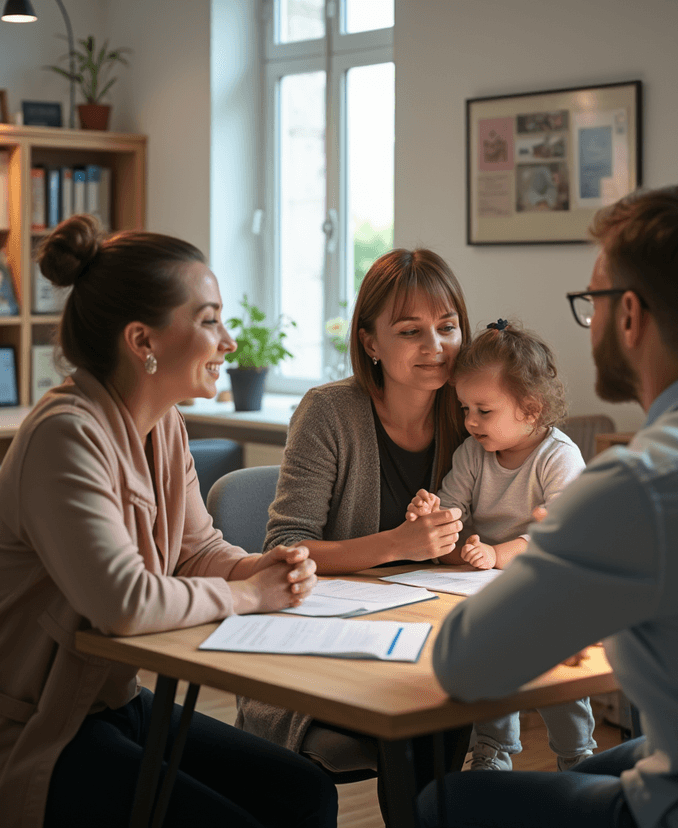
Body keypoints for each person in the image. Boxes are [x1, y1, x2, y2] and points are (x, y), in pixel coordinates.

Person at [417, 184, 678, 828]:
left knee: (447, 801)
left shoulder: (641, 482)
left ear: (627, 315)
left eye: (589, 302)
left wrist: (564, 564)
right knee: (598, 762)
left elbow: (464, 665)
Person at [0, 215, 337, 828]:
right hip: (31, 728)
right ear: (143, 341)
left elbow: (195, 550)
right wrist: (249, 593)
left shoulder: (162, 424)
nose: (229, 342)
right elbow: (124, 603)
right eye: (209, 319)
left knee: (305, 794)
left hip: (110, 702)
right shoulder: (67, 435)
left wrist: (258, 567)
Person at [236, 248, 471, 808]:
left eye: (448, 327)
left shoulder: (471, 413)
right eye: (411, 331)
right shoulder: (329, 411)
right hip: (330, 653)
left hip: (429, 640)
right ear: (370, 342)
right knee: (426, 728)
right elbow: (284, 548)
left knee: (457, 710)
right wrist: (399, 544)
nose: (434, 347)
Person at [406, 319, 597, 773]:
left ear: (530, 409)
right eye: (465, 408)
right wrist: (430, 516)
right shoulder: (473, 454)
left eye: (483, 410)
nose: (470, 421)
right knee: (489, 662)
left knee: (553, 673)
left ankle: (577, 755)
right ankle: (492, 750)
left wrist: (495, 554)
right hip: (483, 584)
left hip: (549, 588)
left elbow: (558, 539)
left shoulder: (559, 456)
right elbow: (450, 516)